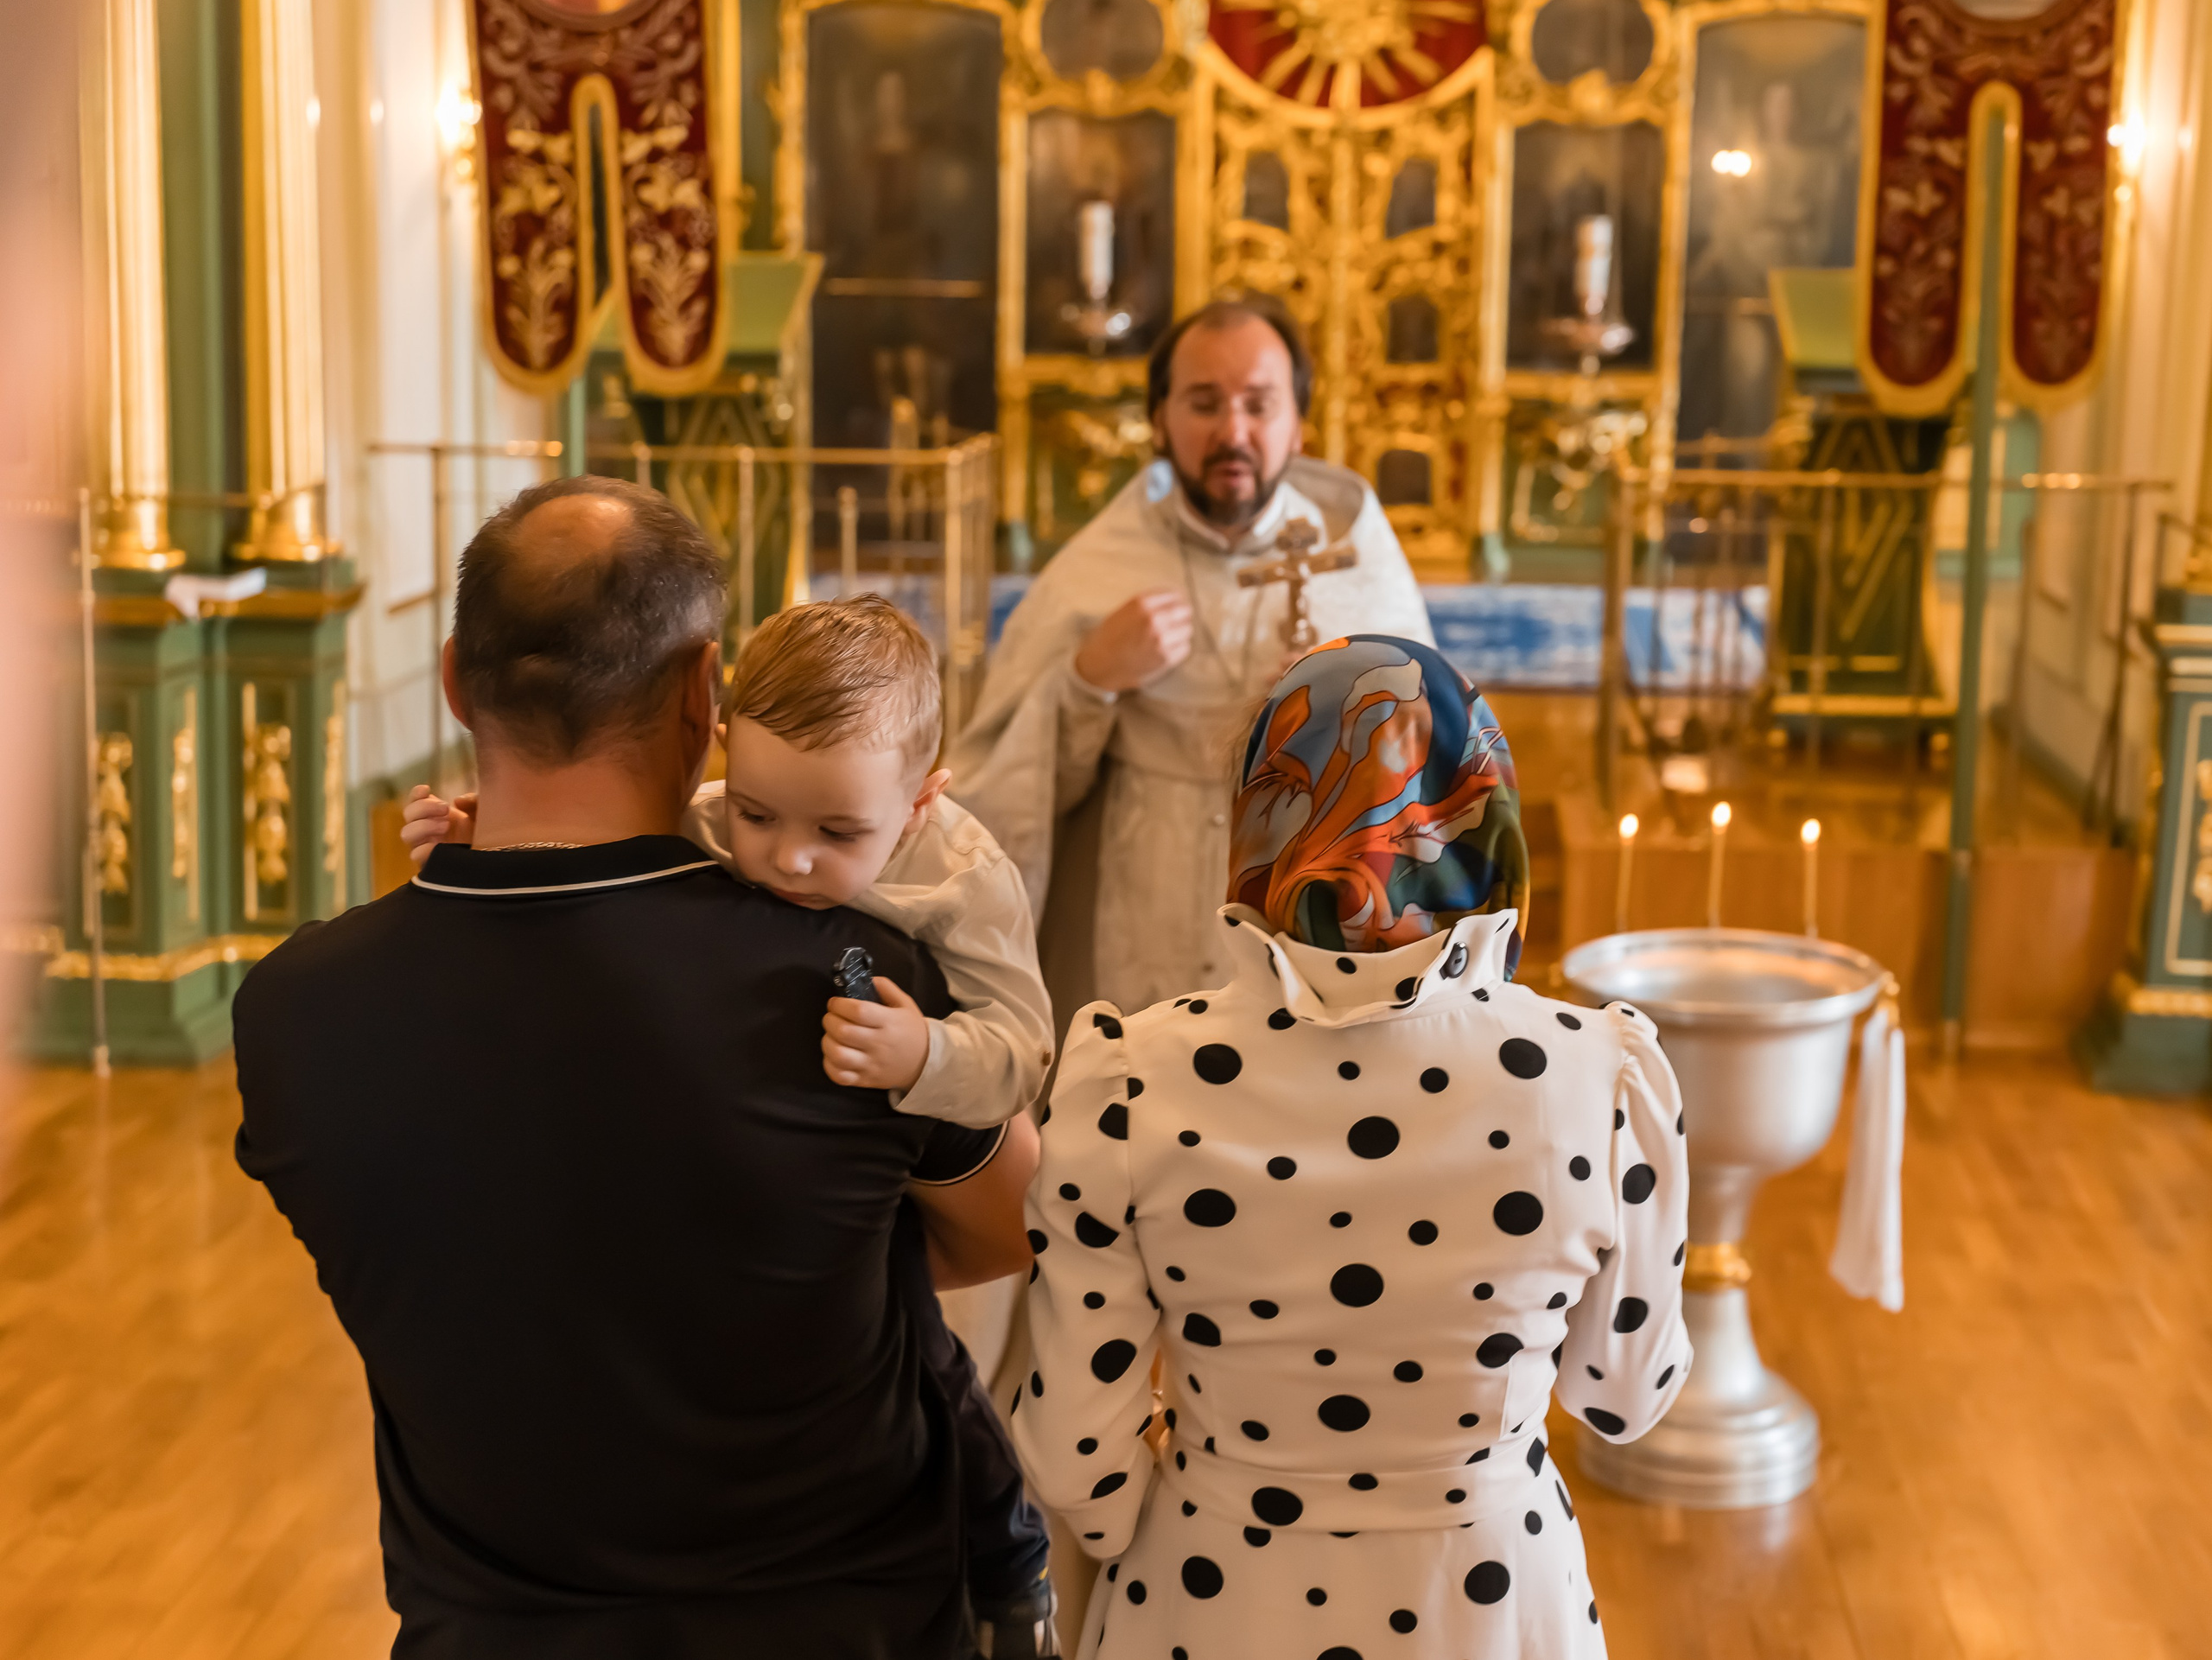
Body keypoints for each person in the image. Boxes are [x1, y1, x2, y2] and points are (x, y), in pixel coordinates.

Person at [235, 475, 1039, 1659]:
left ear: (456, 680)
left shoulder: (295, 1012)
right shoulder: (853, 981)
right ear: (704, 692)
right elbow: (1010, 1223)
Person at [399, 591, 1064, 1656]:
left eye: (837, 832)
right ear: (721, 745)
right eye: (757, 813)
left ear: (923, 798)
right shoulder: (718, 818)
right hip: (765, 1170)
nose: (786, 858)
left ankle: (1011, 1556)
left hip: (897, 1150)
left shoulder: (962, 878)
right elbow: (596, 856)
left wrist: (926, 1054)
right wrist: (481, 834)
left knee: (929, 1364)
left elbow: (1025, 1048)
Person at [1012, 635, 1690, 1657]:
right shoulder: (1600, 1079)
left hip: (1213, 1596)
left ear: (1256, 820)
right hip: (1492, 1603)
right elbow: (1623, 1396)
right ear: (1487, 819)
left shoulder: (1128, 1079)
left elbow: (1075, 1463)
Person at [948, 296, 1433, 1022]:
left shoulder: (1359, 561)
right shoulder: (1100, 566)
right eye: (1203, 403)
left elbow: (1437, 763)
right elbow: (1007, 789)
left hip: (1310, 916)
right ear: (1160, 420)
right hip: (1143, 903)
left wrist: (1348, 713)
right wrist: (1088, 680)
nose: (1231, 431)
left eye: (1259, 405)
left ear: (1297, 425)